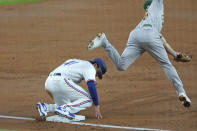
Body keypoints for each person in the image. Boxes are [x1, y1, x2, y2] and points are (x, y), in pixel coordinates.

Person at [87, 0, 191, 107]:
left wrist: (174, 54)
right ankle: (181, 92)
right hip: (150, 35)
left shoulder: (148, 20)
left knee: (121, 65)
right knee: (166, 65)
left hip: (136, 35)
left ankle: (104, 42)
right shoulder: (156, 5)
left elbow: (162, 40)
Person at [36, 58, 107, 120]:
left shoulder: (75, 61)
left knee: (67, 106)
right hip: (60, 82)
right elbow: (91, 86)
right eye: (97, 72)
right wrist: (96, 105)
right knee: (89, 99)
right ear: (95, 65)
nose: (96, 75)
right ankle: (64, 109)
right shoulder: (90, 67)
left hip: (49, 82)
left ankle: (45, 107)